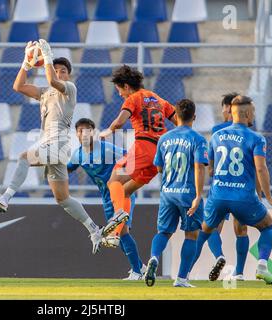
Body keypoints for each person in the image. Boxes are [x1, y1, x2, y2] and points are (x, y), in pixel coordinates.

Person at [0, 40, 103, 254]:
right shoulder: (44, 92)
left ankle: (6, 197)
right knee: (63, 199)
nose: (59, 73)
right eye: (57, 70)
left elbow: (51, 78)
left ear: (68, 75)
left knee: (24, 156)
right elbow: (18, 86)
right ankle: (94, 229)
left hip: (58, 144)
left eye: (63, 71)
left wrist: (48, 57)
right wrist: (26, 63)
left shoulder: (69, 89)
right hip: (52, 145)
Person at [190, 95, 272, 285]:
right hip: (243, 197)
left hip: (218, 195)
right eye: (254, 112)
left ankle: (184, 275)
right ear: (248, 113)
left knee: (204, 232)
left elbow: (210, 168)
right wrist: (268, 196)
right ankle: (262, 266)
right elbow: (260, 169)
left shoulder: (216, 136)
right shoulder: (256, 138)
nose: (254, 115)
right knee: (267, 226)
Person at [99, 65, 177, 237]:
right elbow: (179, 119)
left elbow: (120, 122)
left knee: (113, 182)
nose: (120, 94)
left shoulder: (133, 98)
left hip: (143, 147)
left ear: (126, 86)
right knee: (125, 192)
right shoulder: (158, 98)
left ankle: (117, 215)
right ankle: (116, 234)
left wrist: (107, 131)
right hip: (160, 155)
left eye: (119, 90)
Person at [68, 118, 145, 280]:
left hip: (121, 193)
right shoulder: (78, 154)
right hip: (106, 199)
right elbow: (67, 169)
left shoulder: (106, 149)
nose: (83, 133)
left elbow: (129, 157)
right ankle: (140, 267)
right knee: (119, 237)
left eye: (87, 129)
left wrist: (126, 181)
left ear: (93, 132)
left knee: (122, 233)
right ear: (76, 134)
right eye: (80, 130)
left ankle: (137, 272)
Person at [144, 99, 208, 288]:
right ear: (194, 117)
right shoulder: (198, 139)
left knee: (163, 232)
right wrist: (197, 195)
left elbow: (159, 167)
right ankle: (181, 279)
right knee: (191, 236)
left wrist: (168, 184)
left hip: (167, 193)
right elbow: (199, 168)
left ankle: (154, 257)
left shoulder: (164, 138)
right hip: (187, 193)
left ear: (175, 116)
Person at [202, 92, 251, 281]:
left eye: (223, 107)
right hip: (241, 188)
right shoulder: (248, 130)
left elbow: (211, 165)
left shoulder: (217, 130)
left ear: (228, 109)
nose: (222, 111)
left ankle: (219, 256)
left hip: (221, 188)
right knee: (242, 230)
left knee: (212, 227)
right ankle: (239, 272)